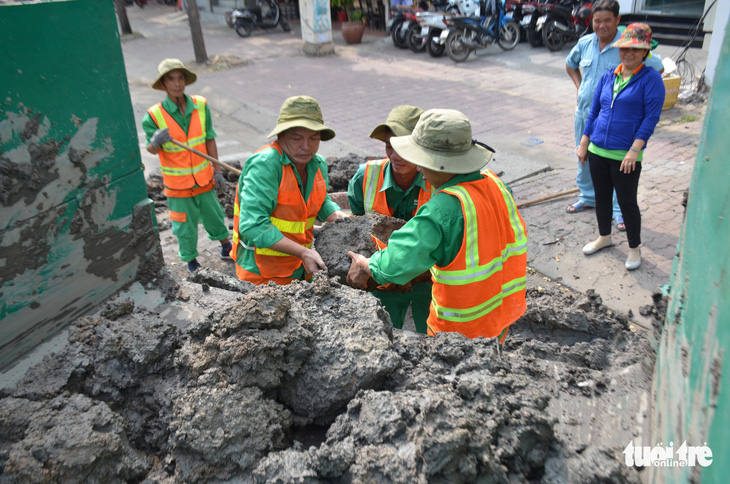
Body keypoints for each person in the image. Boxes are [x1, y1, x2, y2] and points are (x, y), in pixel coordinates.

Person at [347, 109, 527, 341]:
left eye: (422, 160)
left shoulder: (442, 210)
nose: (418, 167)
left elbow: (393, 266)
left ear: (440, 163)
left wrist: (365, 264)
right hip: (499, 321)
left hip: (457, 337)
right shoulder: (499, 187)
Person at [565, 0, 664, 231]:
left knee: (620, 167)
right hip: (586, 114)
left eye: (607, 20)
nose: (601, 26)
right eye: (597, 21)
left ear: (618, 20)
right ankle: (588, 197)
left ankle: (619, 211)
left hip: (619, 122)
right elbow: (570, 65)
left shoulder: (631, 44)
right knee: (585, 158)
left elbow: (657, 68)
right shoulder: (585, 43)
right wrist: (579, 87)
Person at [231, 95, 348, 285]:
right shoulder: (266, 165)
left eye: (314, 138)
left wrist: (338, 216)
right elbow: (252, 225)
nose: (306, 146)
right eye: (296, 138)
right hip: (263, 275)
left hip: (301, 268)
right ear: (281, 136)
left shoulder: (317, 164)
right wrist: (303, 252)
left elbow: (320, 201)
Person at [577, 23, 665, 271]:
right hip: (597, 151)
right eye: (625, 48)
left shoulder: (651, 79)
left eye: (635, 50)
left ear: (645, 52)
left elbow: (651, 118)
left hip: (626, 155)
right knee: (602, 198)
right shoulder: (608, 76)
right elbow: (594, 112)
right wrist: (584, 143)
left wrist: (634, 150)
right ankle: (604, 237)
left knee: (627, 203)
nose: (629, 53)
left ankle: (634, 248)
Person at [347, 105, 433, 334]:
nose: (394, 156)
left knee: (433, 339)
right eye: (389, 146)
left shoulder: (437, 181)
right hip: (377, 280)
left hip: (427, 281)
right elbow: (356, 226)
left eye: (404, 148)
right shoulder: (365, 176)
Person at [143, 58, 231, 274]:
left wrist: (217, 171)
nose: (177, 84)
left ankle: (226, 246)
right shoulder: (153, 116)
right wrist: (155, 142)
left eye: (181, 78)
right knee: (185, 226)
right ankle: (191, 261)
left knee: (215, 216)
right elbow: (151, 149)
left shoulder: (200, 105)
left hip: (203, 179)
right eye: (171, 79)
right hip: (178, 186)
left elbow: (209, 139)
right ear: (163, 83)